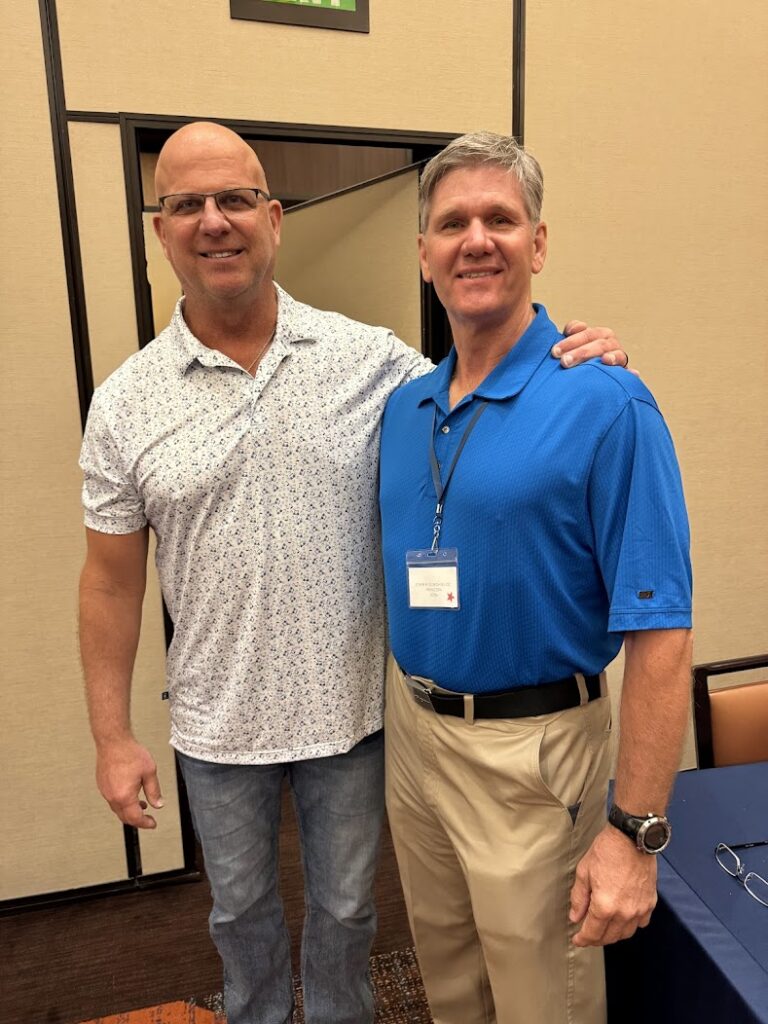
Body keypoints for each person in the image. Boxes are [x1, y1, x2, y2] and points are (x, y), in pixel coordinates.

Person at [78, 121, 628, 1024]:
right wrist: (112, 736)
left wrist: (572, 355)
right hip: (218, 726)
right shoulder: (124, 403)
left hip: (357, 719)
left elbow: (481, 380)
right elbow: (108, 582)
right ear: (160, 230)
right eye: (187, 204)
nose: (214, 221)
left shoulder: (371, 363)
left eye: (235, 199)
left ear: (273, 219)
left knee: (346, 917)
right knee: (239, 920)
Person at [379, 131, 692, 1024]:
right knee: (449, 983)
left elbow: (663, 635)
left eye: (501, 220)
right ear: (424, 253)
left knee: (541, 1001)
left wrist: (634, 834)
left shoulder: (607, 403)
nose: (476, 240)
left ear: (539, 243)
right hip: (415, 738)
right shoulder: (404, 407)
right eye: (453, 224)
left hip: (536, 753)